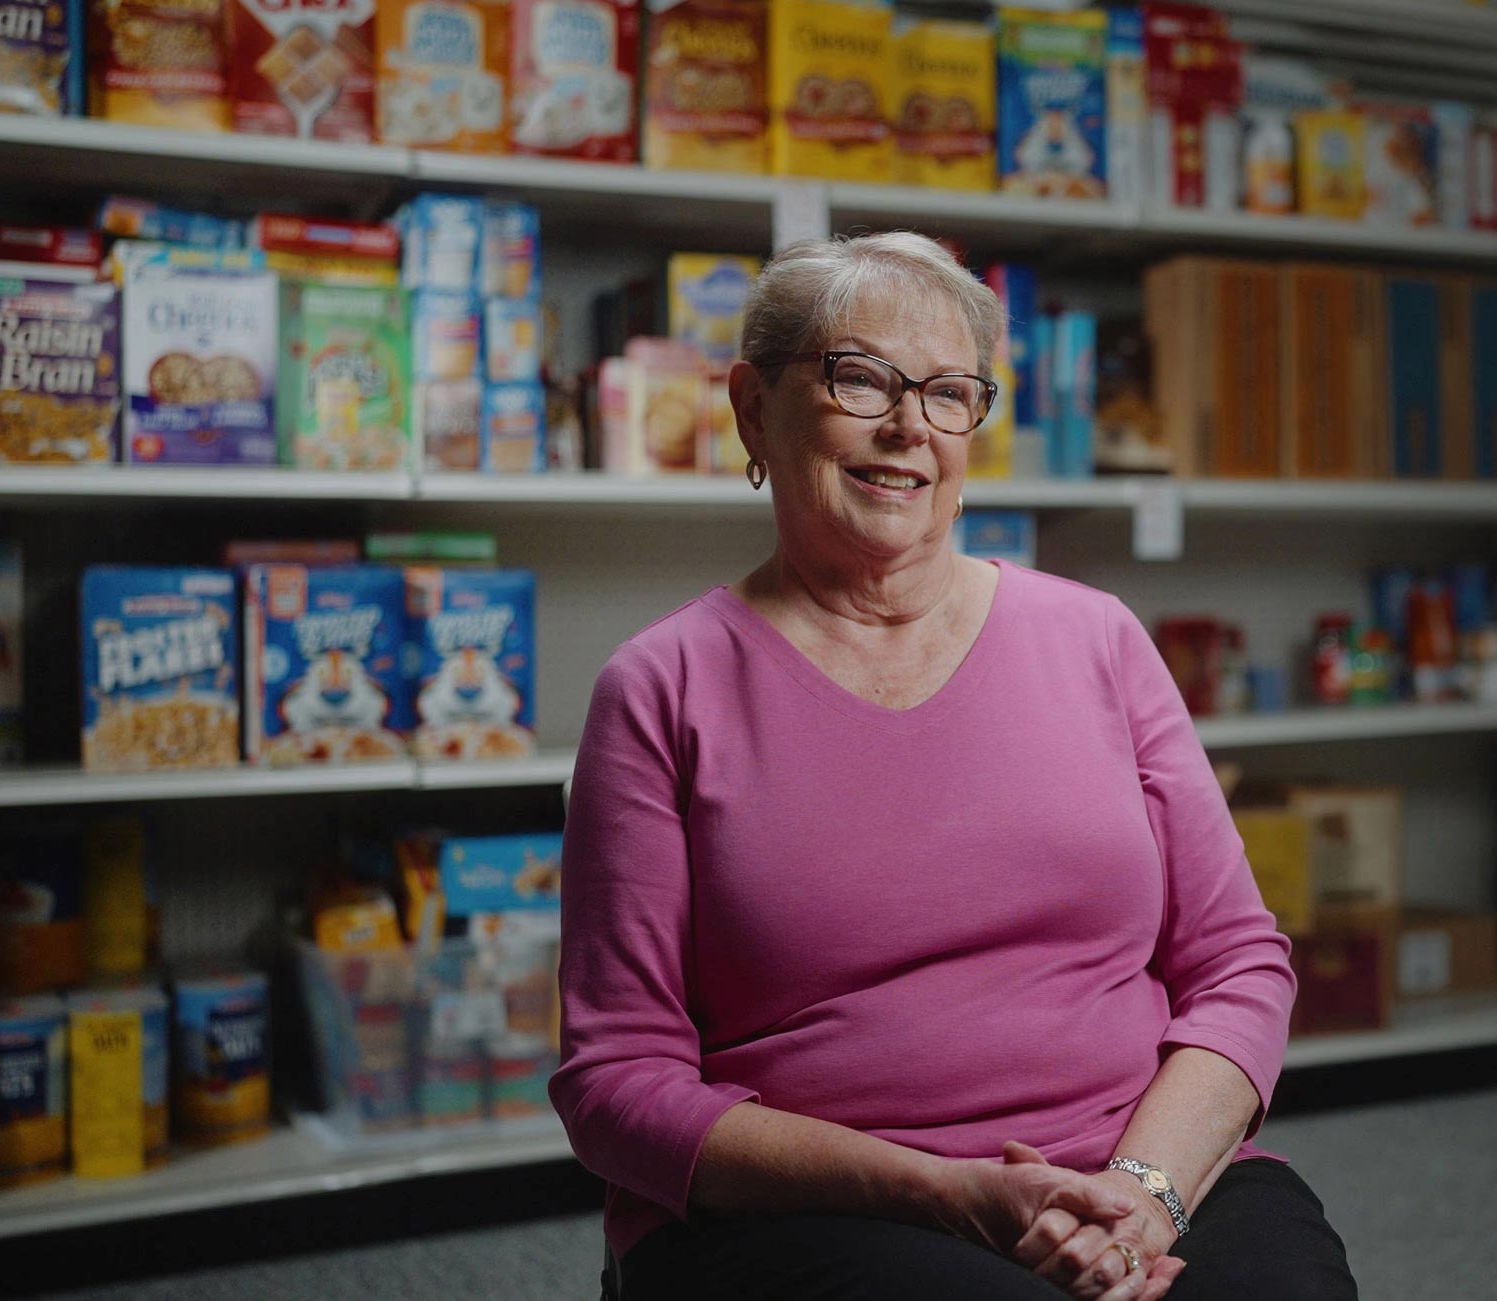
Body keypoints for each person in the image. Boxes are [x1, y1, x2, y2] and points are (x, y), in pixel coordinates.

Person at [552, 232, 1357, 1301]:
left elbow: (1237, 962)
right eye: (858, 378)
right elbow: (615, 1083)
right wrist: (942, 1190)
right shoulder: (662, 686)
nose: (908, 428)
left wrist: (1141, 1194)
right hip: (818, 1203)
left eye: (946, 393)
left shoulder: (1097, 638)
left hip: (1130, 1158)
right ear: (752, 408)